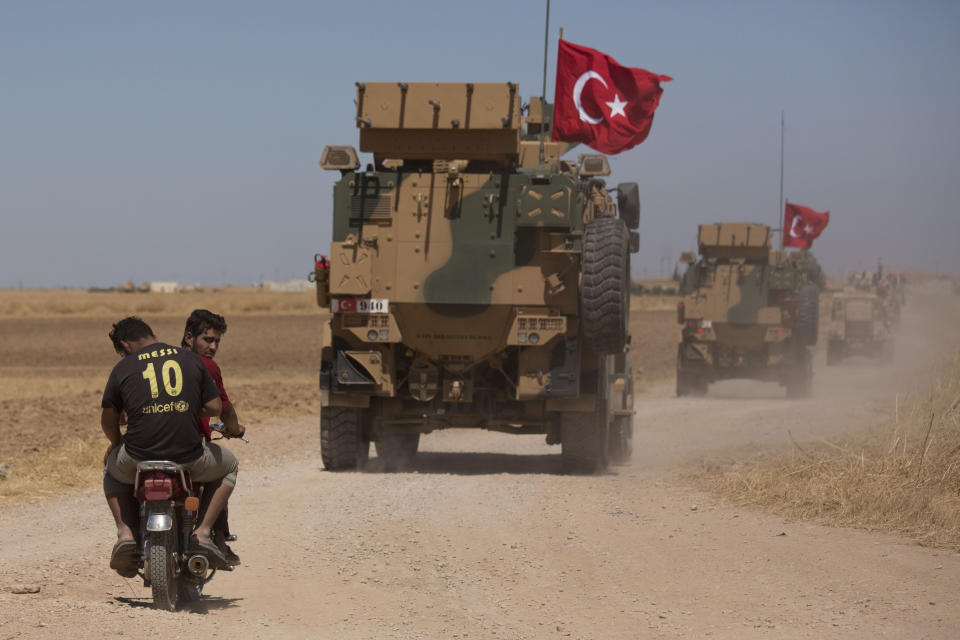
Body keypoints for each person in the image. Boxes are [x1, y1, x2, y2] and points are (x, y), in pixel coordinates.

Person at [101, 316, 242, 576]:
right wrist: (183, 409)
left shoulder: (124, 367)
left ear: (125, 344)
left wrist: (116, 443)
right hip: (189, 457)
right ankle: (202, 533)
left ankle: (125, 534)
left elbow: (108, 420)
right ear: (151, 335)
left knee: (111, 472)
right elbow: (214, 408)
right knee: (229, 465)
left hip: (137, 457)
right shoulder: (191, 360)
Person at [181, 309, 245, 565]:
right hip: (190, 448)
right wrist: (235, 428)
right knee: (225, 467)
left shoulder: (165, 361)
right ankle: (210, 536)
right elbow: (224, 408)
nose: (213, 346)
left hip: (152, 445)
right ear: (189, 337)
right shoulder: (207, 366)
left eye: (217, 341)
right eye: (208, 339)